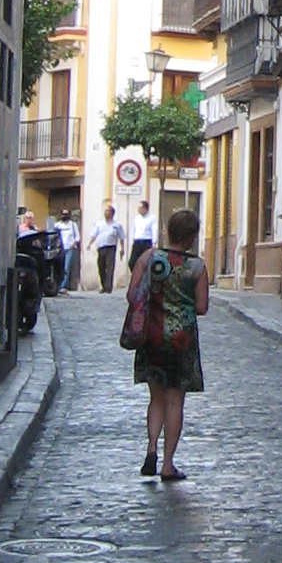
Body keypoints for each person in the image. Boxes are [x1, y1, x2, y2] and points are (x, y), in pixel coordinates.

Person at [127, 204, 209, 482]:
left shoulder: (148, 258)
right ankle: (168, 464)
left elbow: (132, 295)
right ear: (191, 237)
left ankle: (151, 448)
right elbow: (202, 307)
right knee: (175, 402)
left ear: (169, 230)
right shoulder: (196, 267)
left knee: (156, 398)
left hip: (152, 335)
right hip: (181, 340)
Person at [90, 197, 121, 294]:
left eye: (108, 211)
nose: (106, 213)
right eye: (105, 211)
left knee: (110, 267)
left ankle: (108, 287)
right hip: (101, 247)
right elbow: (94, 235)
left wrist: (122, 249)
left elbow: (121, 237)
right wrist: (89, 244)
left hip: (111, 247)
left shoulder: (117, 225)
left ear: (112, 213)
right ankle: (103, 285)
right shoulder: (99, 224)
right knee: (101, 266)